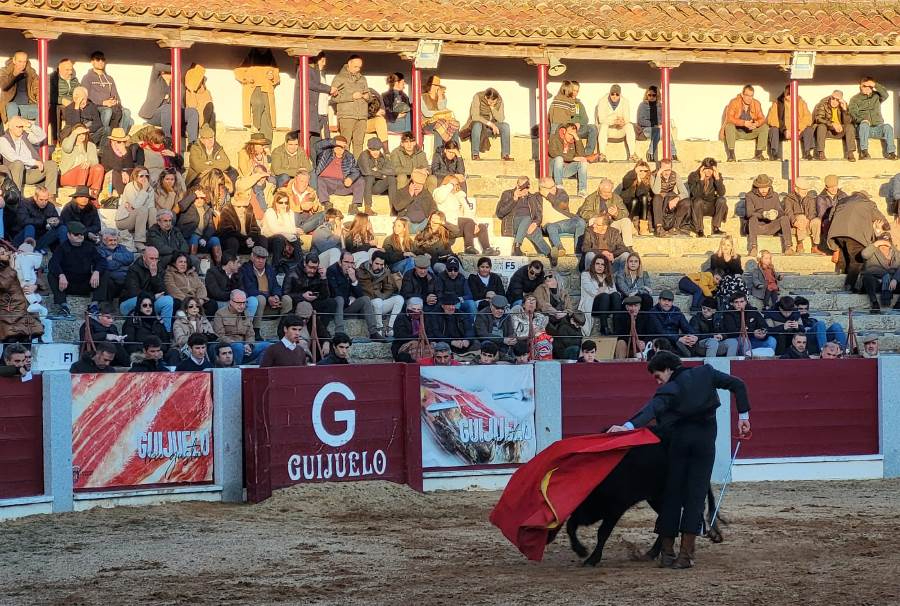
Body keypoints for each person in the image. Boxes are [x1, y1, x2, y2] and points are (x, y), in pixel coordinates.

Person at [608, 351, 751, 569]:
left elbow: (650, 410)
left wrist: (626, 426)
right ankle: (685, 556)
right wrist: (743, 417)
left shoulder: (669, 389)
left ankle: (666, 554)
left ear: (668, 369)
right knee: (695, 496)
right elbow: (738, 384)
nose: (657, 381)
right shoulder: (707, 373)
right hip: (704, 444)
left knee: (672, 493)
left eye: (658, 375)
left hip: (679, 444)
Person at [827, 192, 889, 292]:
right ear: (865, 197)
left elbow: (830, 217)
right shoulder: (867, 203)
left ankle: (841, 277)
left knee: (845, 256)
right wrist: (885, 226)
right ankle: (849, 286)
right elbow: (883, 221)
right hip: (855, 235)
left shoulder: (842, 201)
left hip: (837, 233)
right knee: (857, 261)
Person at [47, 221, 108, 319]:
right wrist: (61, 275)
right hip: (66, 284)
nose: (80, 236)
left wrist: (96, 272)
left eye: (82, 234)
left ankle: (94, 306)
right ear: (69, 235)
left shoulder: (89, 246)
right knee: (51, 274)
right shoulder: (62, 247)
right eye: (76, 234)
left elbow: (102, 261)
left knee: (104, 272)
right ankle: (63, 307)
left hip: (85, 283)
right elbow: (53, 263)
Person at [433, 175, 498, 256]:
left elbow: (468, 211)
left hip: (461, 225)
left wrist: (475, 224)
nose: (456, 186)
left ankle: (487, 249)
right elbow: (439, 198)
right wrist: (450, 185)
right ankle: (469, 247)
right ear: (447, 184)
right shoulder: (438, 191)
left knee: (482, 226)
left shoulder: (458, 195)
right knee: (468, 221)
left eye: (457, 184)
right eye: (454, 184)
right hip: (447, 225)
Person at [139, 62, 199, 146]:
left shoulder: (176, 85)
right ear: (162, 72)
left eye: (171, 73)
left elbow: (180, 105)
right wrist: (173, 68)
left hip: (170, 115)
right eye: (168, 72)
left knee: (193, 111)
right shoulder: (155, 81)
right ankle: (167, 138)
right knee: (167, 107)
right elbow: (156, 67)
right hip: (153, 115)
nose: (170, 75)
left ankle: (192, 143)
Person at [239, 246, 293, 335]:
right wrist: (268, 298)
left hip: (270, 303)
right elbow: (250, 289)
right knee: (260, 298)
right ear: (252, 257)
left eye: (263, 258)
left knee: (287, 299)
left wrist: (276, 296)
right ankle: (256, 331)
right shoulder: (245, 269)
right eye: (258, 258)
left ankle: (283, 329)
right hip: (257, 304)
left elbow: (276, 286)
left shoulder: (269, 269)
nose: (260, 261)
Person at [326, 250, 380, 339]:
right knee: (339, 299)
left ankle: (373, 332)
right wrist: (349, 301)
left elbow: (360, 295)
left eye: (351, 263)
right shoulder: (332, 270)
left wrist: (354, 280)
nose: (349, 265)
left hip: (347, 308)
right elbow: (334, 292)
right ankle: (339, 332)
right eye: (346, 262)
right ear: (340, 262)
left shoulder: (353, 272)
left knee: (365, 299)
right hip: (335, 308)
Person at [0, 116, 58, 197]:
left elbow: (42, 136)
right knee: (18, 163)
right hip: (14, 173)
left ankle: (50, 197)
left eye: (21, 127)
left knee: (51, 164)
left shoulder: (24, 136)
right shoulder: (3, 140)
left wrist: (30, 125)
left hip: (30, 172)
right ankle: (16, 197)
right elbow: (13, 157)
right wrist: (34, 162)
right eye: (18, 126)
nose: (20, 129)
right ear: (10, 127)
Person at [120, 246, 175, 331]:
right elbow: (133, 292)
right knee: (139, 299)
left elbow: (163, 292)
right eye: (151, 258)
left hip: (150, 303)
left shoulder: (159, 269)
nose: (154, 261)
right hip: (130, 303)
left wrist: (154, 276)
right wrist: (153, 297)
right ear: (144, 258)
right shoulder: (134, 269)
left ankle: (166, 332)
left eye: (156, 259)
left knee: (168, 300)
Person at [283, 252, 338, 333]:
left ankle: (321, 330)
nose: (312, 270)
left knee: (332, 302)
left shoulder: (318, 273)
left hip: (313, 302)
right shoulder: (292, 272)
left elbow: (325, 295)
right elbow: (285, 293)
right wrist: (302, 296)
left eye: (315, 268)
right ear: (305, 264)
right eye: (310, 267)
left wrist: (323, 278)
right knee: (303, 305)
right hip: (297, 302)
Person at [496, 176, 550, 258]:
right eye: (523, 188)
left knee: (536, 233)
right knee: (527, 218)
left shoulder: (533, 198)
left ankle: (550, 254)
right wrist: (514, 199)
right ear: (517, 186)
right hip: (513, 224)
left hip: (528, 225)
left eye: (527, 187)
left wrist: (535, 223)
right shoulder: (507, 194)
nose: (525, 190)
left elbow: (539, 214)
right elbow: (500, 213)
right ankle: (517, 245)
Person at [212, 289, 269, 364]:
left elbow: (250, 334)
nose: (242, 306)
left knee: (268, 345)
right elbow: (220, 335)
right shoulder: (220, 314)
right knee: (238, 347)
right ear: (231, 302)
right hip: (229, 346)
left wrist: (249, 345)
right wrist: (236, 343)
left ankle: (258, 369)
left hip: (245, 346)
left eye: (244, 303)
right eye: (238, 303)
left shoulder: (246, 313)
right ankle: (236, 369)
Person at [81, 50, 132, 133]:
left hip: (110, 106)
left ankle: (119, 137)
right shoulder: (87, 77)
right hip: (95, 106)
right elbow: (85, 95)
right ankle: (103, 137)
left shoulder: (109, 78)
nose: (101, 62)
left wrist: (115, 101)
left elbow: (115, 94)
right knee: (107, 111)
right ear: (92, 62)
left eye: (103, 59)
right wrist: (103, 102)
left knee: (127, 112)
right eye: (97, 59)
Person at [534, 272, 582, 359]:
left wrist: (564, 313)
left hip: (561, 319)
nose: (547, 279)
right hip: (547, 317)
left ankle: (567, 352)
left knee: (568, 325)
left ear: (557, 278)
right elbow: (542, 305)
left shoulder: (563, 292)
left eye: (550, 276)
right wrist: (555, 312)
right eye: (545, 277)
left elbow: (570, 309)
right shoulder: (540, 289)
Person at [357, 250, 404, 337]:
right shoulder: (361, 271)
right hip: (367, 306)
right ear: (371, 261)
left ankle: (390, 327)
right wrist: (380, 294)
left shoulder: (385, 271)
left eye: (381, 264)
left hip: (379, 303)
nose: (379, 267)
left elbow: (390, 288)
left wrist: (383, 296)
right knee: (377, 301)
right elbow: (369, 292)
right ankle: (379, 329)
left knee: (399, 299)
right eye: (377, 264)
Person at [848, 76, 897, 160]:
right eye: (864, 86)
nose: (867, 88)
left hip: (877, 128)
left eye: (869, 86)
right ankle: (864, 152)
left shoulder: (876, 96)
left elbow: (886, 94)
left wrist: (874, 84)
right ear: (861, 86)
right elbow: (853, 114)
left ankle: (891, 153)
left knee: (888, 127)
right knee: (864, 125)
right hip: (863, 129)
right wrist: (862, 120)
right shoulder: (855, 99)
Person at [745, 173, 793, 257]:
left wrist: (776, 213)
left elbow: (781, 211)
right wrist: (763, 214)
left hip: (771, 225)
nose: (764, 190)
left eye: (765, 188)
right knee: (752, 219)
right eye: (761, 188)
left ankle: (788, 247)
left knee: (784, 218)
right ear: (757, 187)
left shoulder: (775, 195)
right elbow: (749, 213)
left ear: (769, 187)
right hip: (756, 226)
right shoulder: (749, 196)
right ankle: (753, 247)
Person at [578, 178, 634, 247]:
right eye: (605, 192)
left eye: (609, 192)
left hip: (612, 224)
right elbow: (584, 213)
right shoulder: (591, 198)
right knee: (593, 220)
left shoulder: (616, 198)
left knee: (626, 221)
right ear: (599, 190)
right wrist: (600, 216)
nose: (607, 194)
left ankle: (628, 247)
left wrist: (616, 213)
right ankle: (595, 245)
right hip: (598, 225)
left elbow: (625, 213)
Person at [331, 55, 369, 156]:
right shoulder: (339, 78)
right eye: (355, 67)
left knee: (359, 144)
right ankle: (345, 168)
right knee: (344, 144)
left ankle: (356, 169)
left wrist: (367, 96)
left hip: (362, 116)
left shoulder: (362, 79)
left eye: (359, 67)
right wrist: (351, 96)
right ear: (349, 64)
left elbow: (369, 96)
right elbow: (333, 98)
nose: (357, 69)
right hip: (347, 115)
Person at [218, 176, 266, 257]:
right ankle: (231, 262)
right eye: (239, 207)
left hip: (248, 241)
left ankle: (262, 263)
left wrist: (251, 238)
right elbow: (227, 231)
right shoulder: (227, 210)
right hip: (236, 241)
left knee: (262, 239)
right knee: (232, 241)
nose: (242, 209)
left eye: (244, 206)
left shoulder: (248, 209)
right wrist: (245, 239)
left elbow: (255, 228)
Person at [549, 80, 597, 157]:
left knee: (593, 127)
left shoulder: (579, 104)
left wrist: (579, 124)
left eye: (577, 91)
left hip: (578, 130)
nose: (575, 93)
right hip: (566, 129)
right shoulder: (560, 100)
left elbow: (585, 119)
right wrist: (572, 124)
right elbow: (554, 116)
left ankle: (587, 153)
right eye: (573, 90)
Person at [315, 136, 364, 211]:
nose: (339, 149)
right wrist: (334, 142)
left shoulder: (349, 156)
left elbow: (356, 170)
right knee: (319, 179)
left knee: (360, 180)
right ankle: (326, 203)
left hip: (342, 184)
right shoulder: (325, 152)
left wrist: (351, 178)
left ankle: (355, 205)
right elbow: (317, 146)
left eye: (342, 147)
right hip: (328, 184)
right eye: (337, 146)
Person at [720, 84, 768, 161]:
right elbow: (729, 118)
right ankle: (731, 155)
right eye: (747, 95)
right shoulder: (734, 102)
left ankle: (759, 154)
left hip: (750, 132)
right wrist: (744, 123)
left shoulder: (756, 103)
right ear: (742, 95)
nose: (749, 98)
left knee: (765, 127)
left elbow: (762, 118)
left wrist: (756, 124)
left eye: (751, 96)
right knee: (729, 126)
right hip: (737, 133)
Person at [766, 85, 814, 161]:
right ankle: (774, 154)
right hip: (783, 132)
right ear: (784, 92)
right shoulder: (777, 103)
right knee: (773, 129)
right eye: (788, 93)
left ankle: (807, 153)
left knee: (809, 129)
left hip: (798, 132)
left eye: (791, 93)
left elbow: (808, 118)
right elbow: (771, 119)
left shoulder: (801, 102)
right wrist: (784, 130)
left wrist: (799, 129)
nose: (789, 95)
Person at [261, 189, 303, 272]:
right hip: (269, 240)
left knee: (295, 239)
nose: (284, 205)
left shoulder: (290, 212)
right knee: (279, 238)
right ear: (276, 203)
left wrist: (284, 215)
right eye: (281, 202)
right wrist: (293, 231)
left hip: (285, 240)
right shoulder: (270, 211)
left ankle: (300, 265)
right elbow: (275, 230)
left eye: (286, 202)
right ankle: (275, 267)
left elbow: (290, 229)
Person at [579, 254, 621, 337]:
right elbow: (593, 292)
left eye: (603, 264)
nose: (600, 266)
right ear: (593, 265)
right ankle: (604, 326)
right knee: (604, 296)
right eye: (597, 264)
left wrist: (611, 291)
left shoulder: (609, 277)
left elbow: (614, 291)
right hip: (593, 306)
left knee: (616, 295)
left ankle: (617, 327)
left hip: (607, 306)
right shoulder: (586, 275)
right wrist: (602, 283)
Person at [116, 167, 157, 251]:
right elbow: (136, 206)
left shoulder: (151, 190)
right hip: (124, 219)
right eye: (141, 176)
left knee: (153, 210)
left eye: (146, 176)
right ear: (136, 177)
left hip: (140, 217)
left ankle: (154, 237)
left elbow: (150, 207)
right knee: (142, 209)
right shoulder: (130, 186)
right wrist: (144, 190)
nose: (144, 178)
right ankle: (139, 241)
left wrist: (146, 190)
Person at [466, 87, 512, 161]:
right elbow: (475, 116)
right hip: (478, 128)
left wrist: (492, 108)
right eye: (489, 101)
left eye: (494, 102)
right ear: (485, 97)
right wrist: (490, 124)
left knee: (505, 126)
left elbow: (501, 119)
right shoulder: (477, 97)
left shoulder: (499, 100)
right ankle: (475, 154)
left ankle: (505, 155)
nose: (491, 103)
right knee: (477, 125)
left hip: (491, 129)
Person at [685, 158, 727, 237]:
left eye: (711, 169)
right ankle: (699, 230)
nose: (708, 172)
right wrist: (701, 179)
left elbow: (721, 193)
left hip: (711, 205)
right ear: (702, 168)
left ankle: (716, 228)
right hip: (697, 207)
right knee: (698, 201)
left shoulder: (717, 176)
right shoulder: (693, 176)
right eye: (706, 169)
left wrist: (717, 179)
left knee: (722, 200)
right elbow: (695, 194)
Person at [59, 123, 104, 196]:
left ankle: (94, 195)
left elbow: (95, 161)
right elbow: (67, 148)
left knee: (99, 168)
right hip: (68, 176)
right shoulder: (67, 142)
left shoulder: (90, 145)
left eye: (83, 134)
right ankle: (80, 195)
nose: (82, 136)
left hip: (85, 176)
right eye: (79, 134)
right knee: (82, 167)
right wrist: (74, 133)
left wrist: (89, 162)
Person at [596, 84, 638, 162]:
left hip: (619, 129)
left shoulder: (625, 101)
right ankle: (602, 154)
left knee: (629, 126)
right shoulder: (602, 101)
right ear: (610, 93)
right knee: (604, 125)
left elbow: (627, 118)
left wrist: (623, 121)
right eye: (612, 94)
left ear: (620, 94)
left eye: (617, 94)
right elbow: (601, 119)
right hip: (607, 130)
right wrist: (613, 121)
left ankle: (632, 155)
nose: (614, 96)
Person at [812, 90, 857, 161]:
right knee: (821, 126)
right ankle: (821, 153)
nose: (834, 101)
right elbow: (818, 118)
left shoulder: (843, 105)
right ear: (830, 97)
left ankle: (850, 153)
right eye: (833, 98)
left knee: (850, 126)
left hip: (839, 130)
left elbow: (848, 122)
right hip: (827, 131)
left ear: (840, 100)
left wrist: (844, 110)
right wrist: (832, 124)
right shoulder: (823, 104)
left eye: (837, 100)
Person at [306, 52, 336, 160]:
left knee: (324, 141)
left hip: (323, 112)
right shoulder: (311, 72)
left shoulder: (322, 73)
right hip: (316, 112)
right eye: (322, 59)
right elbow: (313, 85)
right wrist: (329, 89)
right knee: (313, 141)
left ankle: (321, 164)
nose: (324, 62)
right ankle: (312, 165)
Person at [861, 232, 900, 313]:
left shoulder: (896, 253)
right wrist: (876, 243)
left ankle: (898, 304)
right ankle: (875, 303)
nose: (884, 247)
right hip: (877, 282)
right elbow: (864, 255)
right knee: (867, 278)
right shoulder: (872, 251)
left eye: (886, 245)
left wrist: (895, 279)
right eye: (882, 244)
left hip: (892, 284)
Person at [636, 85, 677, 162]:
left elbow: (664, 119)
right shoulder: (643, 105)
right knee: (660, 130)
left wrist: (661, 125)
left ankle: (670, 154)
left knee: (664, 130)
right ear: (646, 95)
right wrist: (655, 124)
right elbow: (640, 120)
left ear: (657, 95)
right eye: (649, 95)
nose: (651, 97)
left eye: (654, 95)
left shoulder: (661, 106)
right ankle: (671, 154)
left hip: (659, 129)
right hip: (646, 129)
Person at [420, 75, 460, 153]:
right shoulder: (423, 97)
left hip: (441, 122)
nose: (437, 88)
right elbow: (426, 113)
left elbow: (442, 109)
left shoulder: (442, 97)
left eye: (438, 85)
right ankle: (438, 153)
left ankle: (455, 150)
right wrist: (439, 114)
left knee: (453, 124)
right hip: (428, 123)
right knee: (439, 127)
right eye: (436, 85)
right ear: (430, 85)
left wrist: (440, 97)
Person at [612, 295, 661, 359]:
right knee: (621, 343)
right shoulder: (620, 317)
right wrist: (634, 341)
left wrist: (644, 342)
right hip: (628, 346)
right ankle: (621, 366)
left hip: (642, 346)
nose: (633, 308)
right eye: (631, 306)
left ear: (639, 307)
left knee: (655, 342)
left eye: (635, 306)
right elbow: (619, 334)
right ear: (626, 307)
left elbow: (652, 333)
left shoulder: (646, 317)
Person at [651, 159, 690, 237]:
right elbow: (656, 191)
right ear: (659, 168)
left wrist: (677, 199)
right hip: (659, 202)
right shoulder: (653, 175)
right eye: (664, 170)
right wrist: (658, 175)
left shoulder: (675, 175)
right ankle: (659, 227)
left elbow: (685, 193)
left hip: (670, 199)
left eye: (668, 170)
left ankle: (675, 226)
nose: (666, 173)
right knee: (657, 197)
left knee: (686, 202)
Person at [357, 137, 395, 215]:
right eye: (373, 150)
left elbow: (392, 171)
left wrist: (377, 170)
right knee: (369, 177)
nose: (375, 152)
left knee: (391, 178)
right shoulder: (364, 155)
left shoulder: (382, 156)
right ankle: (368, 207)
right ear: (369, 149)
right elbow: (367, 172)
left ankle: (393, 208)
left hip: (376, 186)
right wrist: (381, 175)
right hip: (364, 186)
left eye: (377, 150)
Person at [13, 186, 59, 251]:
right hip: (24, 236)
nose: (44, 202)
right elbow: (23, 221)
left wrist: (56, 222)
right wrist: (44, 221)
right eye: (41, 199)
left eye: (46, 200)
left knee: (61, 228)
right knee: (30, 226)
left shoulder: (50, 206)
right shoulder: (25, 203)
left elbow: (57, 219)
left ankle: (66, 251)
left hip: (40, 238)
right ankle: (28, 246)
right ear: (35, 197)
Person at [782, 177, 820, 254]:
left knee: (817, 221)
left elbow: (813, 212)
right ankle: (800, 243)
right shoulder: (788, 199)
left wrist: (808, 219)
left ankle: (815, 246)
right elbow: (788, 212)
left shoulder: (810, 199)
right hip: (795, 225)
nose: (805, 191)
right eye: (803, 189)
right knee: (801, 217)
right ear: (796, 189)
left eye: (806, 189)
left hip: (807, 223)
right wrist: (794, 221)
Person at [548, 123, 588, 196]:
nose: (571, 137)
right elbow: (553, 153)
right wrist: (572, 158)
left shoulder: (574, 141)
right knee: (559, 158)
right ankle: (559, 186)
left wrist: (577, 138)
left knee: (583, 162)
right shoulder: (554, 138)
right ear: (563, 132)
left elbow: (581, 156)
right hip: (554, 169)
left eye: (574, 134)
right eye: (570, 134)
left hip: (565, 170)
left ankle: (582, 190)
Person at [393, 169, 437, 234]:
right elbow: (397, 207)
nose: (419, 186)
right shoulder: (402, 192)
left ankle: (422, 234)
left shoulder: (426, 194)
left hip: (423, 224)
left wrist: (432, 216)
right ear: (412, 182)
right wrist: (409, 195)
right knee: (401, 224)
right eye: (416, 183)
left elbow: (433, 208)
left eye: (421, 184)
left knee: (435, 223)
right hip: (407, 223)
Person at [96, 228, 134, 301]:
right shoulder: (100, 250)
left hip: (125, 279)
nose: (113, 243)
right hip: (112, 281)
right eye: (110, 240)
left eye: (115, 240)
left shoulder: (121, 247)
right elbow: (108, 265)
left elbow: (130, 257)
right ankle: (106, 304)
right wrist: (123, 264)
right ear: (104, 240)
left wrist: (114, 256)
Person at [1, 50, 38, 122]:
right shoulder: (5, 71)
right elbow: (3, 86)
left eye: (24, 62)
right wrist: (14, 74)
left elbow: (37, 86)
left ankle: (36, 132)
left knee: (41, 110)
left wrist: (39, 100)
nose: (22, 64)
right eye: (19, 61)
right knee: (12, 106)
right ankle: (13, 131)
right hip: (10, 106)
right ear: (14, 61)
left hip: (27, 106)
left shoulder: (31, 72)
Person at [620, 160, 654, 235]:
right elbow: (625, 183)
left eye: (645, 171)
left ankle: (643, 227)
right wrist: (635, 173)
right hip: (628, 204)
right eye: (640, 170)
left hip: (640, 207)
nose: (643, 173)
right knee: (634, 200)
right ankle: (629, 225)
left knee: (644, 197)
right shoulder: (630, 177)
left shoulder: (647, 181)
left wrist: (639, 182)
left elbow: (641, 193)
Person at [99, 127, 136, 195]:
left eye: (122, 141)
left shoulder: (127, 150)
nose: (120, 143)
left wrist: (124, 153)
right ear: (112, 141)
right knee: (115, 174)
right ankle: (122, 195)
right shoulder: (107, 150)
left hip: (124, 174)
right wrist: (122, 172)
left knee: (132, 173)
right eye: (118, 141)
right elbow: (109, 166)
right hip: (111, 173)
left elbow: (130, 166)